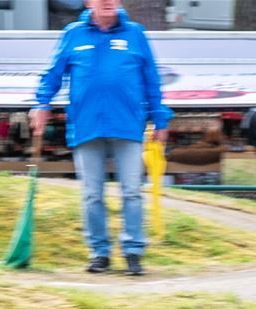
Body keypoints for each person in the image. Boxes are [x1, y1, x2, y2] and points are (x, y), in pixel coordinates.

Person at [32, 0, 172, 276]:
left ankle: (133, 252)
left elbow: (151, 80)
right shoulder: (73, 34)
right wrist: (42, 103)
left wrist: (160, 118)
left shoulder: (135, 34)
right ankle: (99, 252)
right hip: (87, 127)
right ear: (89, 2)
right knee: (92, 195)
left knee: (132, 191)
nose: (107, 1)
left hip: (128, 126)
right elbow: (53, 74)